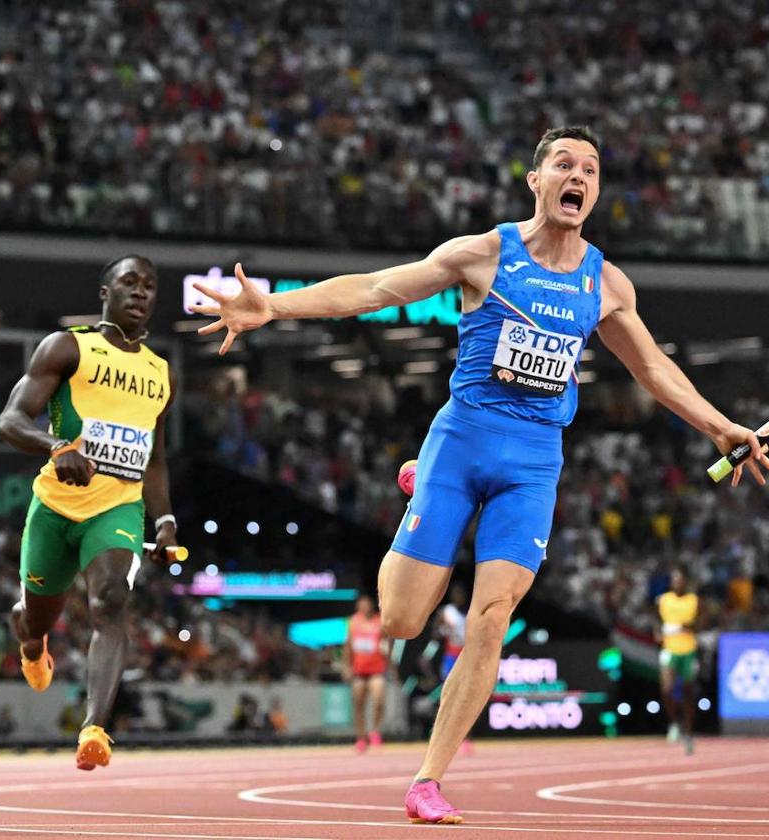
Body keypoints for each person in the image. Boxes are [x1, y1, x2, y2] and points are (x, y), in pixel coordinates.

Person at [191, 125, 769, 824]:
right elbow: (375, 288)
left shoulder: (605, 283)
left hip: (533, 464)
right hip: (462, 442)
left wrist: (723, 428)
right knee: (404, 620)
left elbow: (653, 369)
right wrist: (276, 306)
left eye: (590, 168)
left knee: (491, 623)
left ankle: (427, 780)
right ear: (536, 180)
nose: (577, 176)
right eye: (564, 163)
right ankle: (418, 482)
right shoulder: (484, 255)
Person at [0, 255, 177, 771]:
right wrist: (56, 445)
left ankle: (94, 726)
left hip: (118, 505)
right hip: (55, 506)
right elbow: (9, 420)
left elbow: (156, 459)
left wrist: (163, 519)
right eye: (129, 283)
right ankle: (30, 635)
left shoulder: (161, 372)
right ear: (105, 293)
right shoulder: (69, 347)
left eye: (149, 286)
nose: (140, 293)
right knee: (39, 616)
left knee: (111, 601)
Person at [656, 566, 699, 755]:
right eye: (673, 579)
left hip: (688, 649)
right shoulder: (664, 600)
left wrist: (682, 626)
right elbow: (656, 620)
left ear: (685, 581)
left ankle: (689, 733)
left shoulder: (693, 600)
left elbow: (700, 622)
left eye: (679, 579)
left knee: (688, 692)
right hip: (669, 649)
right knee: (666, 689)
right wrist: (658, 631)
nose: (676, 582)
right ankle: (674, 722)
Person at [344, 593, 390, 753]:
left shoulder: (379, 622)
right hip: (358, 670)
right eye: (362, 604)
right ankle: (361, 737)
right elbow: (348, 646)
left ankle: (375, 731)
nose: (365, 607)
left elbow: (387, 645)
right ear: (358, 606)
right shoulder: (352, 622)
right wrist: (346, 667)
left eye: (367, 603)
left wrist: (389, 665)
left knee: (379, 700)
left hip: (376, 670)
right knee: (358, 704)